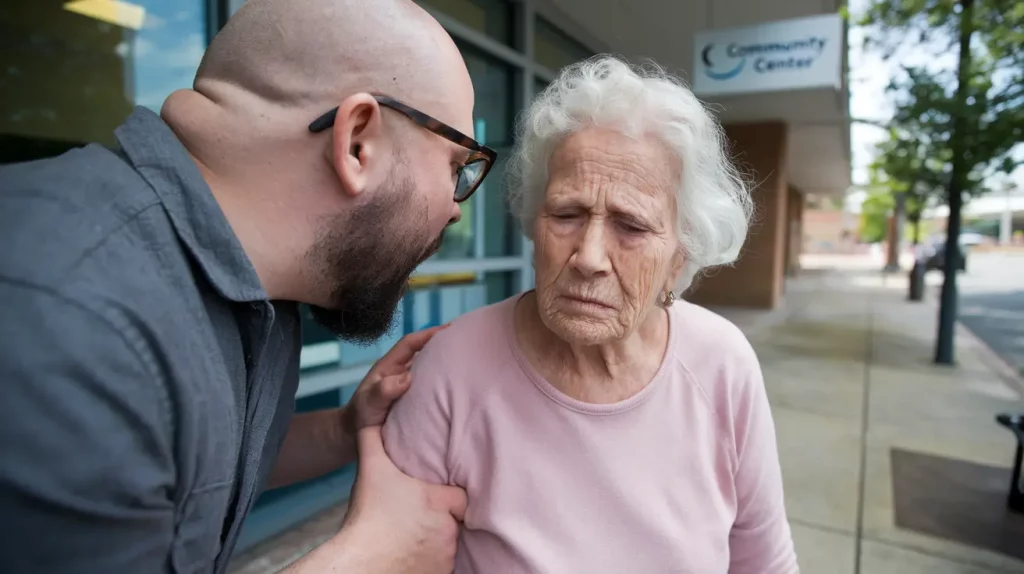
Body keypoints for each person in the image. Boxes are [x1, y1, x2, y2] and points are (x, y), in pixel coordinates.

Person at [0, 0, 486, 572]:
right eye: (456, 166)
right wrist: (370, 558)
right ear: (358, 142)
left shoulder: (260, 292)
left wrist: (342, 428)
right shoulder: (66, 318)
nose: (456, 211)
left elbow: (184, 477)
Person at [382, 56, 800, 573]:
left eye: (631, 225)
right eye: (567, 214)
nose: (589, 257)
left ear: (680, 256)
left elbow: (764, 563)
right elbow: (393, 558)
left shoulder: (723, 364)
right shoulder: (451, 368)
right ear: (534, 225)